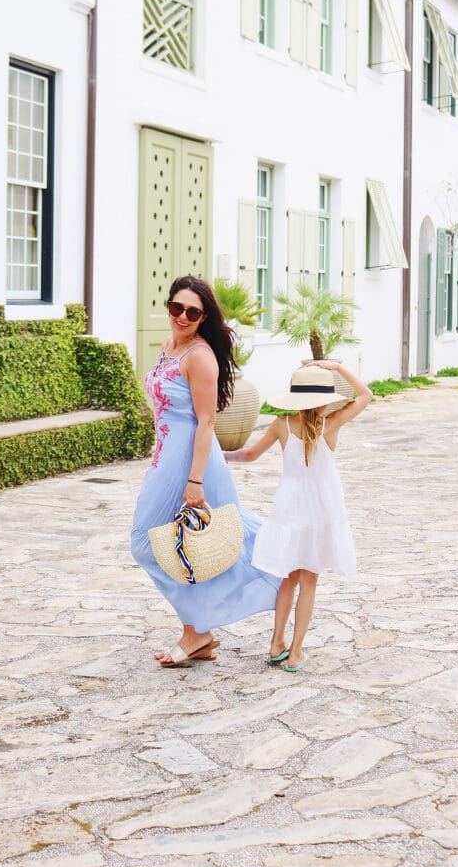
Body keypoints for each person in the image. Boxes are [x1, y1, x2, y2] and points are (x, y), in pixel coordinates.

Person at [131, 275, 280, 667]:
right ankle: (197, 630)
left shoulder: (200, 356)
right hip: (167, 455)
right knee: (166, 542)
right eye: (176, 308)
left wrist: (194, 480)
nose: (182, 316)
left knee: (159, 541)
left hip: (191, 459)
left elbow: (207, 421)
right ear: (168, 307)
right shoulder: (169, 346)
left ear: (203, 317)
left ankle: (197, 631)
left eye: (192, 311)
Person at [223, 360, 372, 673]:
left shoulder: (282, 424)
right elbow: (365, 395)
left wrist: (219, 456)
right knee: (309, 581)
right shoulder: (330, 424)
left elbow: (249, 455)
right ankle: (296, 652)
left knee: (288, 577)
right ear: (324, 400)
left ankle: (276, 642)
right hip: (320, 509)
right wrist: (337, 368)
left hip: (289, 508)